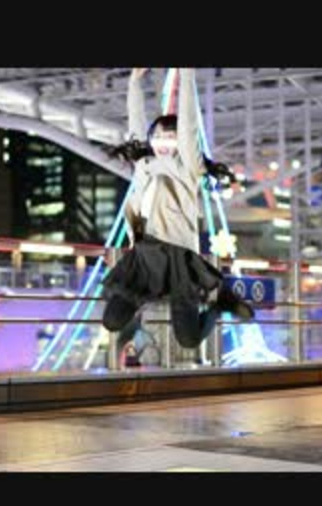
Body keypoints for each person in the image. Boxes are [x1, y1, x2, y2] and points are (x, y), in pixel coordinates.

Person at [101, 68, 253, 350]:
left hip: (180, 258)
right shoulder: (144, 163)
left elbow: (189, 123)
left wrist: (187, 75)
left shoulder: (188, 167)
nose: (163, 143)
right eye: (158, 137)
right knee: (112, 320)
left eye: (171, 137)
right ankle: (140, 316)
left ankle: (219, 306)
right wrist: (134, 83)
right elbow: (135, 124)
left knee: (188, 339)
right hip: (145, 256)